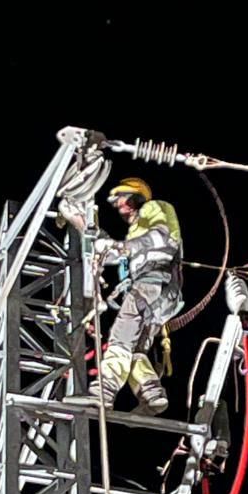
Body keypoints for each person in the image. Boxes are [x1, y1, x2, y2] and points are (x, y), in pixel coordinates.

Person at [61, 177, 183, 415]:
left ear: (136, 196)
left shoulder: (154, 208)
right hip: (159, 294)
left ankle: (102, 395)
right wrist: (86, 227)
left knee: (119, 340)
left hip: (153, 284)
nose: (118, 205)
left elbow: (162, 236)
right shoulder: (136, 233)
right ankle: (152, 394)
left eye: (121, 198)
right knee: (135, 349)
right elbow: (113, 253)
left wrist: (124, 247)